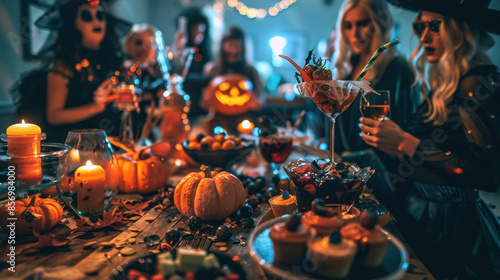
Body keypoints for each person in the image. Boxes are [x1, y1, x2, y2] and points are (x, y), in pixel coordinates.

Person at [361, 1, 500, 278]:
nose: (423, 37)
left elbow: (486, 173)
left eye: (434, 26)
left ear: (463, 30)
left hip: (454, 226)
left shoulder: (480, 81)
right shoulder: (445, 84)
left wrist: (406, 144)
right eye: (419, 27)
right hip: (425, 212)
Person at [331, 0, 420, 210]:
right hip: (345, 179)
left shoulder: (397, 69)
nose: (356, 33)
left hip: (384, 183)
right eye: (348, 25)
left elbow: (408, 129)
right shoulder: (345, 69)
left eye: (363, 23)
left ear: (380, 24)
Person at [21, 0, 131, 143]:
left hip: (109, 142)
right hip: (75, 146)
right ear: (73, 24)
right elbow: (53, 116)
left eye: (99, 16)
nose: (96, 21)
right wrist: (95, 107)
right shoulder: (63, 65)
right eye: (86, 16)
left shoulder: (111, 61)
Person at [200, 26, 262, 134]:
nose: (233, 50)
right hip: (219, 121)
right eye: (230, 45)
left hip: (245, 121)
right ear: (223, 46)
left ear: (243, 47)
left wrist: (255, 101)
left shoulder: (251, 70)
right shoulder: (211, 69)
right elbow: (203, 103)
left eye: (237, 46)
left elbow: (260, 99)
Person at [173, 7, 213, 118]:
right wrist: (207, 79)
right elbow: (180, 78)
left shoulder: (204, 53)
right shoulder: (179, 53)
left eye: (201, 31)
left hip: (201, 110)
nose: (199, 35)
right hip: (181, 107)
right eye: (195, 30)